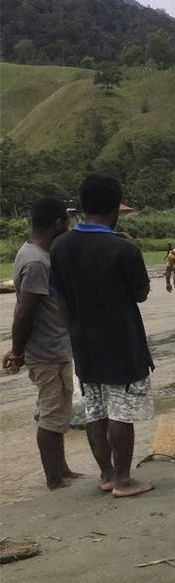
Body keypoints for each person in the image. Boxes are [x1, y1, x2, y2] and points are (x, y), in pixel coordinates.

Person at [50, 174, 155, 498]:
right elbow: (141, 293)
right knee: (121, 413)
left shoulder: (61, 245)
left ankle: (107, 474)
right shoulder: (122, 248)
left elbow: (60, 299)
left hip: (84, 342)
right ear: (116, 208)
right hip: (122, 343)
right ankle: (124, 480)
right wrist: (132, 246)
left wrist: (75, 333)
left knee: (96, 411)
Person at [3, 197, 83, 490]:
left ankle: (62, 469)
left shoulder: (32, 252)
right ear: (59, 224)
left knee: (57, 412)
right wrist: (17, 349)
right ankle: (53, 478)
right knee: (51, 415)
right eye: (68, 221)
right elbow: (26, 309)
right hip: (47, 351)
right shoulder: (36, 261)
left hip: (52, 347)